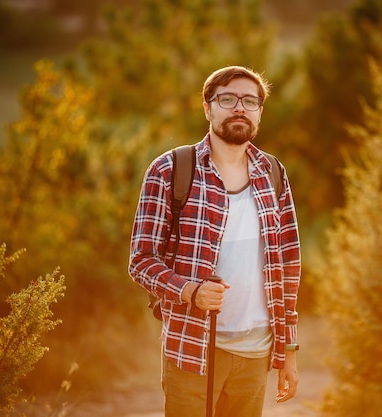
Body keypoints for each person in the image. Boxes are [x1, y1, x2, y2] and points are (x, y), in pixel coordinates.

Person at [128, 65, 301, 417]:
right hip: (193, 349)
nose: (240, 107)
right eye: (228, 98)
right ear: (208, 108)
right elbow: (141, 259)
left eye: (250, 101)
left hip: (256, 352)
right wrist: (190, 291)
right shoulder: (170, 170)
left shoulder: (273, 174)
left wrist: (290, 352)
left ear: (260, 112)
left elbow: (288, 268)